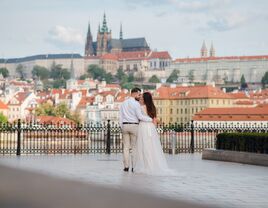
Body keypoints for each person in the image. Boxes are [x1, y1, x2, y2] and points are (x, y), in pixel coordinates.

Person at [134, 92, 175, 176]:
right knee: (151, 147)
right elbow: (154, 119)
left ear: (145, 100)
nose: (140, 100)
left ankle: (147, 166)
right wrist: (153, 125)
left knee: (144, 147)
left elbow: (139, 117)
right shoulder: (152, 107)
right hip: (151, 127)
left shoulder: (140, 107)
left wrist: (149, 120)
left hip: (144, 127)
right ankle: (151, 165)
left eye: (141, 99)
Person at [119, 88, 152, 172]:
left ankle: (126, 166)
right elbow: (140, 116)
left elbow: (120, 117)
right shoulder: (136, 104)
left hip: (125, 125)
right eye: (139, 94)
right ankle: (134, 166)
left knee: (126, 147)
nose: (139, 96)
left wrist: (122, 127)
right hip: (134, 126)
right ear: (135, 93)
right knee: (134, 147)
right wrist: (150, 119)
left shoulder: (123, 103)